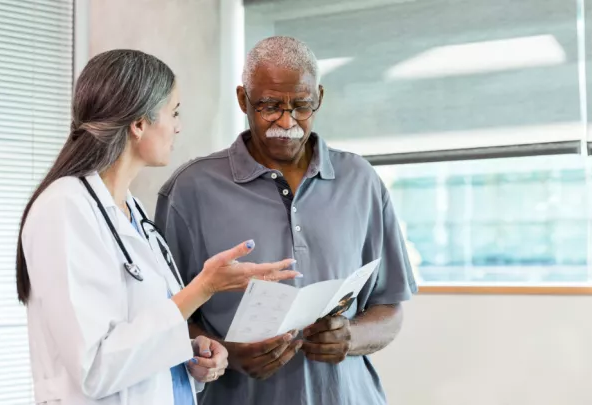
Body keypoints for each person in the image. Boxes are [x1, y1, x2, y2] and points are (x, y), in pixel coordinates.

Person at [15, 49, 300, 405]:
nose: (178, 126)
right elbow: (93, 368)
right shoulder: (64, 208)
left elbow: (140, 337)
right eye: (173, 112)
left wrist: (190, 354)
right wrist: (204, 287)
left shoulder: (129, 210)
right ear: (139, 124)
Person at [155, 36, 418, 405]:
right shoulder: (190, 189)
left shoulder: (361, 180)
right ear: (243, 99)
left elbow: (390, 307)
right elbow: (162, 317)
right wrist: (227, 353)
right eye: (269, 106)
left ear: (320, 98)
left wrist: (351, 337)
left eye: (301, 106)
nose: (286, 121)